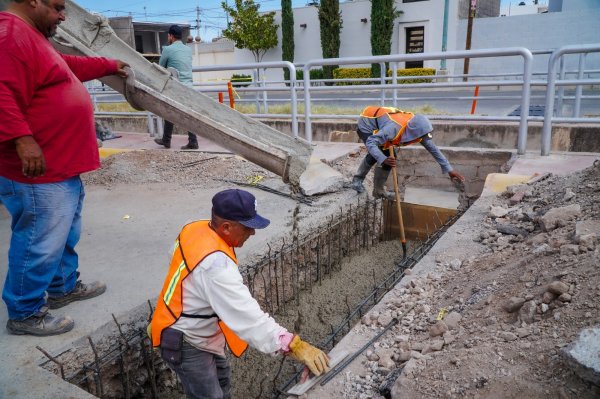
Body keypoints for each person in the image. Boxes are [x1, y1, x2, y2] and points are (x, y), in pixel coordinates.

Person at [0, 0, 129, 336]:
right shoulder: (9, 33)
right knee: (39, 241)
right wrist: (22, 139)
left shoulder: (33, 37)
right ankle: (25, 312)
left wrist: (107, 64)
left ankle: (62, 287)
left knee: (62, 233)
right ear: (33, 1)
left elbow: (66, 67)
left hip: (60, 165)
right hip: (37, 170)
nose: (63, 15)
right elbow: (1, 91)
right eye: (57, 7)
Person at [149, 189, 330, 399]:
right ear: (226, 227)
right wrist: (294, 345)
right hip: (186, 339)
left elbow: (177, 262)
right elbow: (250, 319)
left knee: (222, 379)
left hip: (190, 327)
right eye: (247, 227)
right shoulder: (216, 268)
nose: (252, 233)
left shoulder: (195, 227)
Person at [352, 106, 465, 200]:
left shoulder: (418, 129)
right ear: (414, 132)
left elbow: (433, 149)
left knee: (389, 157)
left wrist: (449, 170)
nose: (422, 139)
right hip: (367, 122)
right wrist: (382, 158)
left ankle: (378, 192)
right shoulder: (393, 128)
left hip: (383, 124)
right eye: (421, 137)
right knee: (377, 154)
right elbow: (371, 142)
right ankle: (357, 181)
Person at [154, 24, 199, 150]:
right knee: (187, 114)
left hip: (176, 87)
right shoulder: (188, 50)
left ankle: (167, 140)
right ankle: (189, 141)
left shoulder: (168, 50)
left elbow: (160, 68)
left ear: (171, 36)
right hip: (189, 86)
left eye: (168, 35)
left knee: (169, 111)